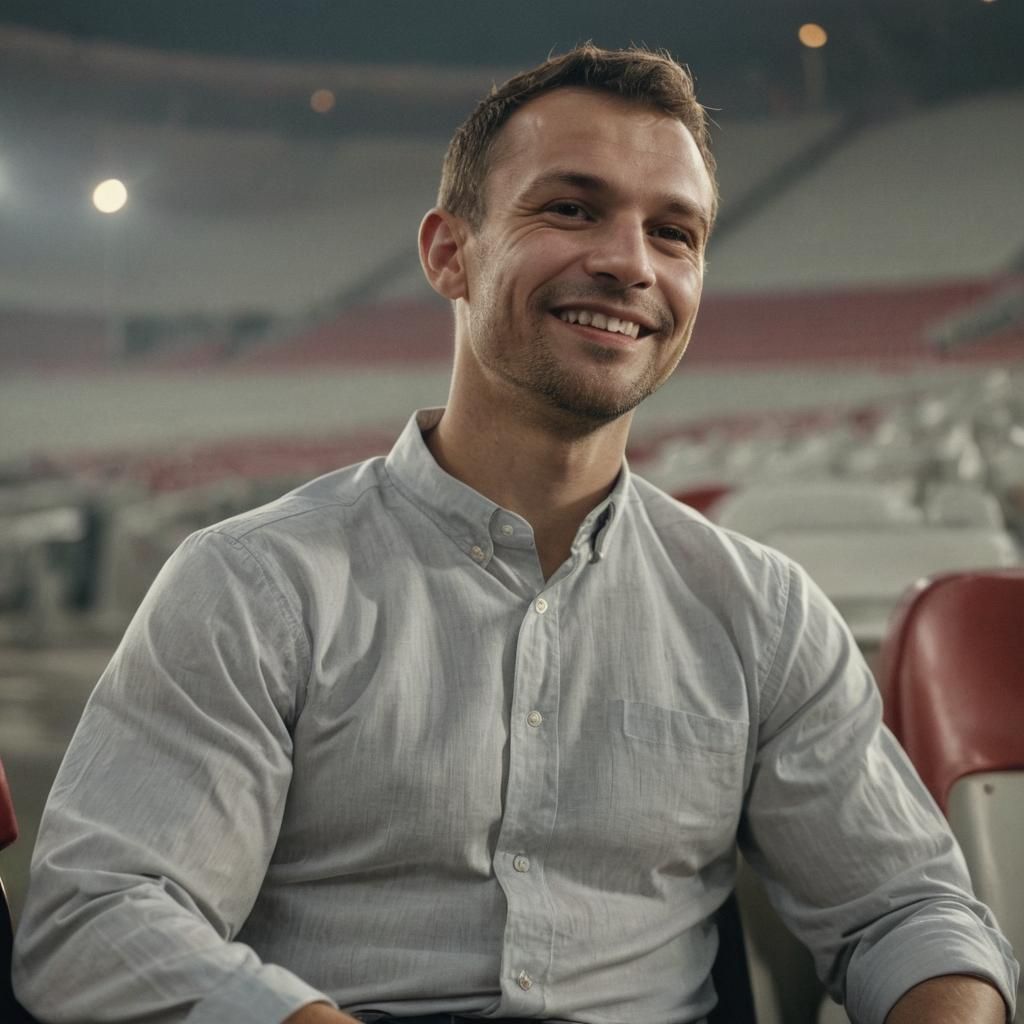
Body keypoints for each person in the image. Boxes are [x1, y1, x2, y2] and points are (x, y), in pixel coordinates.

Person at [13, 44, 1018, 1024]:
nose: (628, 262)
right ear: (449, 252)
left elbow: (907, 911)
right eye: (571, 209)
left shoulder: (762, 612)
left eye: (674, 233)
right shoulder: (250, 583)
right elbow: (98, 919)